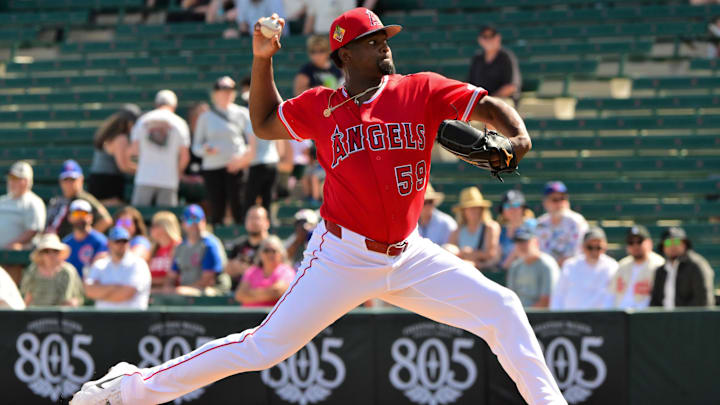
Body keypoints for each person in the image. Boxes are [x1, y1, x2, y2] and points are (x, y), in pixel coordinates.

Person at [71, 9, 566, 405]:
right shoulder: (321, 106)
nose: (385, 44)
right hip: (342, 257)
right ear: (345, 53)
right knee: (264, 348)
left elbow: (487, 107)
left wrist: (519, 136)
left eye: (384, 37)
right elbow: (263, 122)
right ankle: (129, 388)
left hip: (410, 254)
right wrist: (262, 58)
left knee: (502, 307)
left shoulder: (419, 88)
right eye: (373, 40)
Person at [192, 76, 255, 224]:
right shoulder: (205, 117)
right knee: (216, 206)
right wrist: (206, 150)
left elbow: (251, 142)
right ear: (215, 93)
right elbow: (196, 147)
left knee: (238, 205)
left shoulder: (242, 114)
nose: (226, 93)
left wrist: (242, 159)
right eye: (222, 90)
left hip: (235, 167)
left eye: (230, 90)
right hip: (212, 167)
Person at [130, 90, 191, 207]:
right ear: (174, 106)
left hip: (144, 178)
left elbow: (133, 151)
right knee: (166, 219)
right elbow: (185, 156)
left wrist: (142, 168)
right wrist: (176, 173)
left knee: (139, 216)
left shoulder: (142, 121)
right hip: (168, 180)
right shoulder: (180, 123)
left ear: (156, 104)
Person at [550, 227, 618, 310]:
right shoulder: (570, 265)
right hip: (572, 317)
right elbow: (558, 295)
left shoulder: (612, 266)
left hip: (601, 318)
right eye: (590, 247)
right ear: (582, 247)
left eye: (598, 247)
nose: (594, 251)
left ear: (605, 247)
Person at [84, 226, 152, 310]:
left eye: (124, 241)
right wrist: (115, 288)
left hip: (133, 319)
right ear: (108, 243)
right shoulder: (100, 264)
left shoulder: (138, 264)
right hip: (104, 320)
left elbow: (125, 294)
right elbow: (89, 291)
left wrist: (100, 292)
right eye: (117, 241)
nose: (121, 245)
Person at [164, 205, 224, 295]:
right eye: (189, 220)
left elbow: (208, 280)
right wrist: (168, 288)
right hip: (186, 289)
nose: (193, 224)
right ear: (183, 224)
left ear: (204, 221)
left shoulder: (209, 244)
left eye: (197, 219)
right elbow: (172, 276)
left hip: (211, 289)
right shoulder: (180, 247)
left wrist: (183, 290)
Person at [46, 160, 113, 238]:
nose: (69, 183)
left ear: (81, 179)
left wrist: (86, 239)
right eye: (66, 179)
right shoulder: (58, 201)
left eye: (73, 179)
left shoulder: (84, 199)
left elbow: (106, 220)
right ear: (60, 181)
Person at [87, 107, 139, 206]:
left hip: (97, 180)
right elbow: (123, 167)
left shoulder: (108, 135)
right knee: (118, 212)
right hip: (108, 182)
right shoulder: (120, 138)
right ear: (128, 123)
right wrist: (144, 170)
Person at [650, 227, 713, 308]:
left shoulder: (696, 265)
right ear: (663, 247)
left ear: (684, 244)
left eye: (676, 241)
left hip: (689, 319)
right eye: (668, 242)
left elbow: (703, 301)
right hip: (663, 319)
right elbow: (655, 301)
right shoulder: (660, 271)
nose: (672, 245)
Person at [609, 226, 665, 309]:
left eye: (639, 241)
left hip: (644, 315)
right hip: (619, 314)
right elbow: (611, 293)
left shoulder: (659, 265)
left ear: (649, 243)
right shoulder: (623, 264)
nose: (635, 245)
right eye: (631, 242)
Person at [20, 233, 83, 307]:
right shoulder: (33, 270)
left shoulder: (67, 271)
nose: (51, 254)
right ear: (41, 254)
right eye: (46, 251)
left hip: (60, 314)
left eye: (55, 251)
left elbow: (68, 301)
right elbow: (28, 297)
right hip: (36, 314)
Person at [506, 221, 559, 308]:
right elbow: (510, 298)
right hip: (519, 313)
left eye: (525, 241)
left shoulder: (546, 265)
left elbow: (546, 301)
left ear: (536, 242)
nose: (521, 246)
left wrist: (525, 315)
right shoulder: (515, 266)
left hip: (542, 317)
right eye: (518, 242)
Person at [535, 181, 588, 267]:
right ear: (545, 202)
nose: (560, 203)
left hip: (572, 270)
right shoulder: (540, 224)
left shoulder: (576, 222)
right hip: (546, 270)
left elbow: (578, 252)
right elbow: (537, 251)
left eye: (562, 198)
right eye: (555, 200)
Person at [448, 187, 501, 271]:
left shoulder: (490, 227)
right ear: (463, 211)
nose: (474, 211)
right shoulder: (457, 231)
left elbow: (491, 254)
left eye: (477, 207)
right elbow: (450, 254)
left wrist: (470, 253)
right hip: (462, 271)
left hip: (484, 272)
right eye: (470, 208)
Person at [234, 235, 296, 306]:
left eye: (274, 251)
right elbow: (240, 294)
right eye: (266, 250)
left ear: (281, 254)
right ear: (260, 254)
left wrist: (249, 294)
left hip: (273, 315)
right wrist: (268, 293)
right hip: (249, 315)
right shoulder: (251, 271)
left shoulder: (286, 271)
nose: (270, 254)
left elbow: (277, 291)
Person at [467, 25, 521, 101]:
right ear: (480, 40)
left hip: (503, 101)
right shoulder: (477, 58)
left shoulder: (506, 57)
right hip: (481, 103)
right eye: (485, 37)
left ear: (498, 38)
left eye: (491, 36)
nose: (488, 39)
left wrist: (490, 100)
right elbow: (470, 85)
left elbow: (511, 87)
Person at [0, 161, 46, 250]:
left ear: (26, 181)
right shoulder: (2, 200)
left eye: (16, 179)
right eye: (10, 178)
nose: (12, 182)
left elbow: (33, 231)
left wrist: (13, 244)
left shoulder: (34, 202)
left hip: (17, 256)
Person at [226, 205, 271, 290]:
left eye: (257, 218)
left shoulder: (272, 247)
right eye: (250, 218)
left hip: (261, 294)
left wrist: (246, 270)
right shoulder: (238, 245)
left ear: (267, 223)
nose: (253, 222)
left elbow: (272, 272)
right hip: (237, 293)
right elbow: (227, 269)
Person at [62, 200, 109, 278]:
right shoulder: (65, 243)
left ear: (91, 217)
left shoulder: (101, 241)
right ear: (69, 217)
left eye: (83, 214)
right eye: (76, 214)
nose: (80, 218)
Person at [498, 190, 534, 269]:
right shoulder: (501, 231)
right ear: (502, 211)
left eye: (516, 204)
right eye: (507, 206)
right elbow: (497, 258)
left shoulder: (533, 225)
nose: (512, 209)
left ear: (523, 208)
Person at [148, 211, 182, 291]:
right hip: (154, 290)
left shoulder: (178, 246)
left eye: (154, 225)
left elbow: (175, 277)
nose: (151, 229)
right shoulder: (154, 249)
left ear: (165, 227)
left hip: (172, 291)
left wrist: (150, 281)